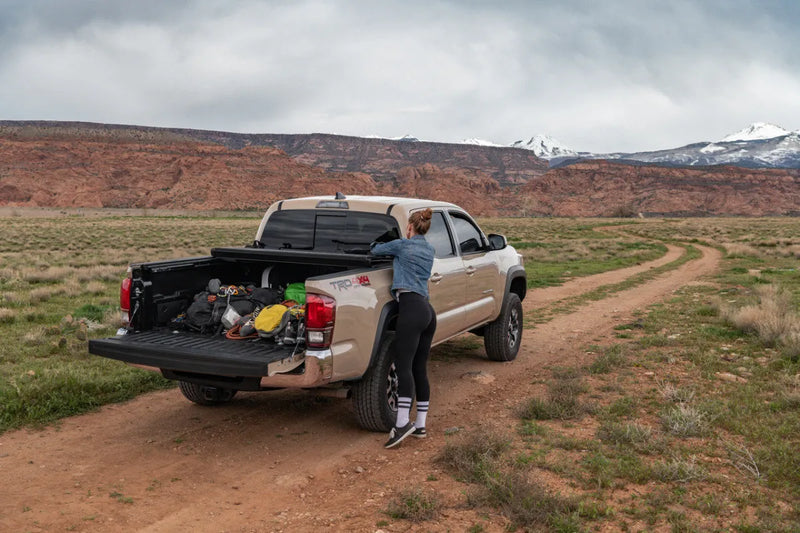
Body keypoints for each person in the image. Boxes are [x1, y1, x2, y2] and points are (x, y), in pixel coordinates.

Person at [370, 208, 437, 448]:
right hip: (427, 311)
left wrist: (385, 238)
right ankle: (420, 425)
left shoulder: (402, 245)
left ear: (410, 227)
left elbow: (375, 250)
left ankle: (401, 424)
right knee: (419, 367)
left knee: (403, 367)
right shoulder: (429, 249)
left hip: (410, 309)